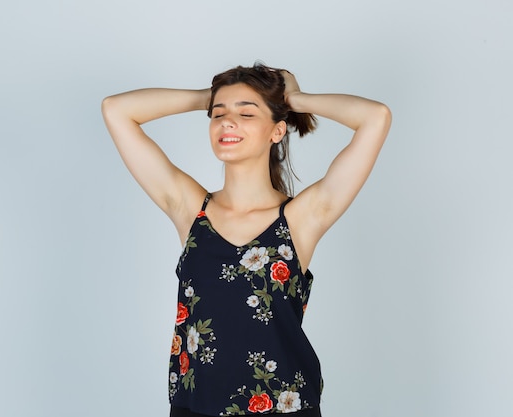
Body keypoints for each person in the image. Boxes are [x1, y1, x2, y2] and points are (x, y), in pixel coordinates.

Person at [101, 63, 392, 417]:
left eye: (247, 113)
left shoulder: (301, 218)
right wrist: (209, 99)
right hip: (195, 406)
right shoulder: (191, 210)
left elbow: (376, 117)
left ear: (277, 130)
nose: (227, 122)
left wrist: (295, 99)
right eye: (218, 114)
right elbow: (116, 110)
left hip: (285, 407)